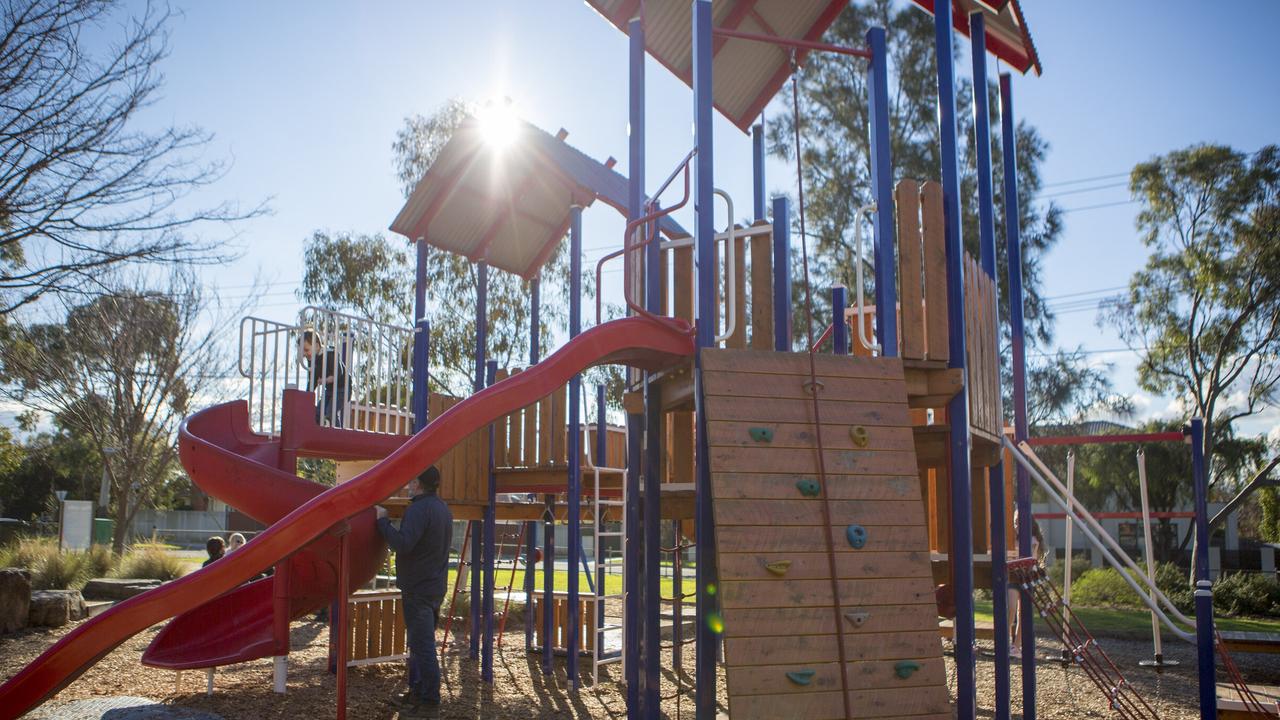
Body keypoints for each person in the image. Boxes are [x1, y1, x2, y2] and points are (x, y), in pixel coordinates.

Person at [375, 466, 452, 714]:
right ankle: (419, 692)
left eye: (411, 480)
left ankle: (430, 701)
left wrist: (382, 522)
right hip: (434, 586)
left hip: (418, 588)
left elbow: (404, 544)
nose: (408, 483)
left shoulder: (418, 509)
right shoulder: (442, 508)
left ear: (419, 483)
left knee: (423, 647)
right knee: (420, 644)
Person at [1009, 508, 1045, 659]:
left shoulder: (1032, 539)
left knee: (1023, 613)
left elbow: (1031, 557)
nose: (1017, 525)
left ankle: (1016, 646)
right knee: (1010, 608)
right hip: (1013, 577)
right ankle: (1006, 643)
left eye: (1019, 521)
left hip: (1027, 577)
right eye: (1015, 521)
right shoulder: (1011, 538)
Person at [300, 329, 346, 428]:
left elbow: (339, 373)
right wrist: (307, 396)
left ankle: (337, 435)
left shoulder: (330, 353)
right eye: (302, 351)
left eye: (306, 350)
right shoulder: (312, 360)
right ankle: (318, 432)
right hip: (329, 390)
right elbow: (312, 381)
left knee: (330, 412)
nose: (304, 354)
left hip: (343, 389)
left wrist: (325, 380)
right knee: (318, 412)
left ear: (316, 346)